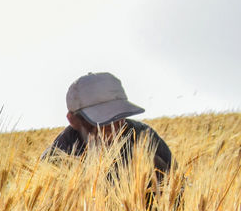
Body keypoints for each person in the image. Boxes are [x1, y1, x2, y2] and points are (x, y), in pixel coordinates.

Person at [40, 71, 175, 186]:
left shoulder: (144, 137)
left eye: (118, 115)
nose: (114, 126)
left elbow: (179, 188)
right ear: (73, 120)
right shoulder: (55, 159)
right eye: (101, 119)